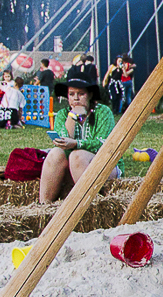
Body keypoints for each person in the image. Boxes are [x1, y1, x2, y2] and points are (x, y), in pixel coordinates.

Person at [38, 74, 115, 203]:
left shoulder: (103, 112)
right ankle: (44, 205)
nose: (76, 98)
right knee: (55, 153)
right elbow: (65, 140)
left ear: (90, 95)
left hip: (103, 164)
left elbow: (103, 144)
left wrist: (76, 144)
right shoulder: (62, 114)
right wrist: (72, 116)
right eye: (71, 94)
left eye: (81, 94)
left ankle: (92, 204)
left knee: (77, 156)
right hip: (70, 168)